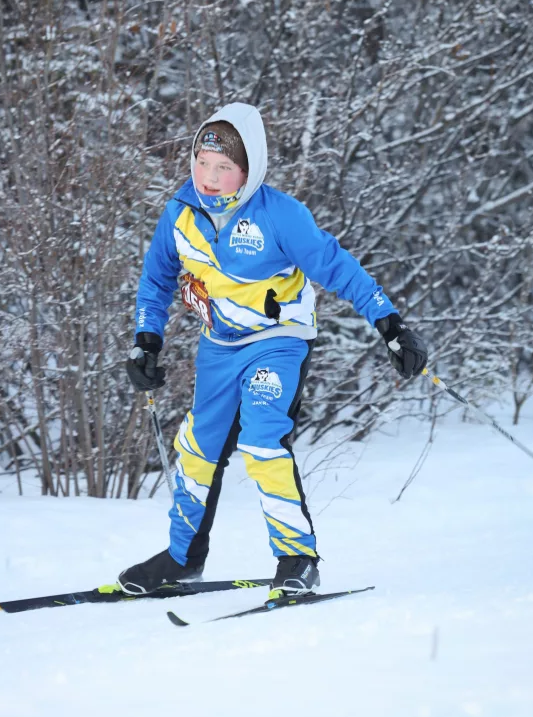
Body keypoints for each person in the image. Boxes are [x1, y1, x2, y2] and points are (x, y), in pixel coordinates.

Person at [119, 103, 427, 596]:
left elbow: (337, 267)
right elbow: (156, 279)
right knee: (196, 451)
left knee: (262, 441)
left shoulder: (280, 215)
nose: (210, 177)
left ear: (249, 170)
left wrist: (390, 325)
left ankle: (297, 559)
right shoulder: (180, 214)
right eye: (202, 163)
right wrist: (145, 342)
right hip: (218, 347)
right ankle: (182, 558)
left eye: (224, 168)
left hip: (277, 344)